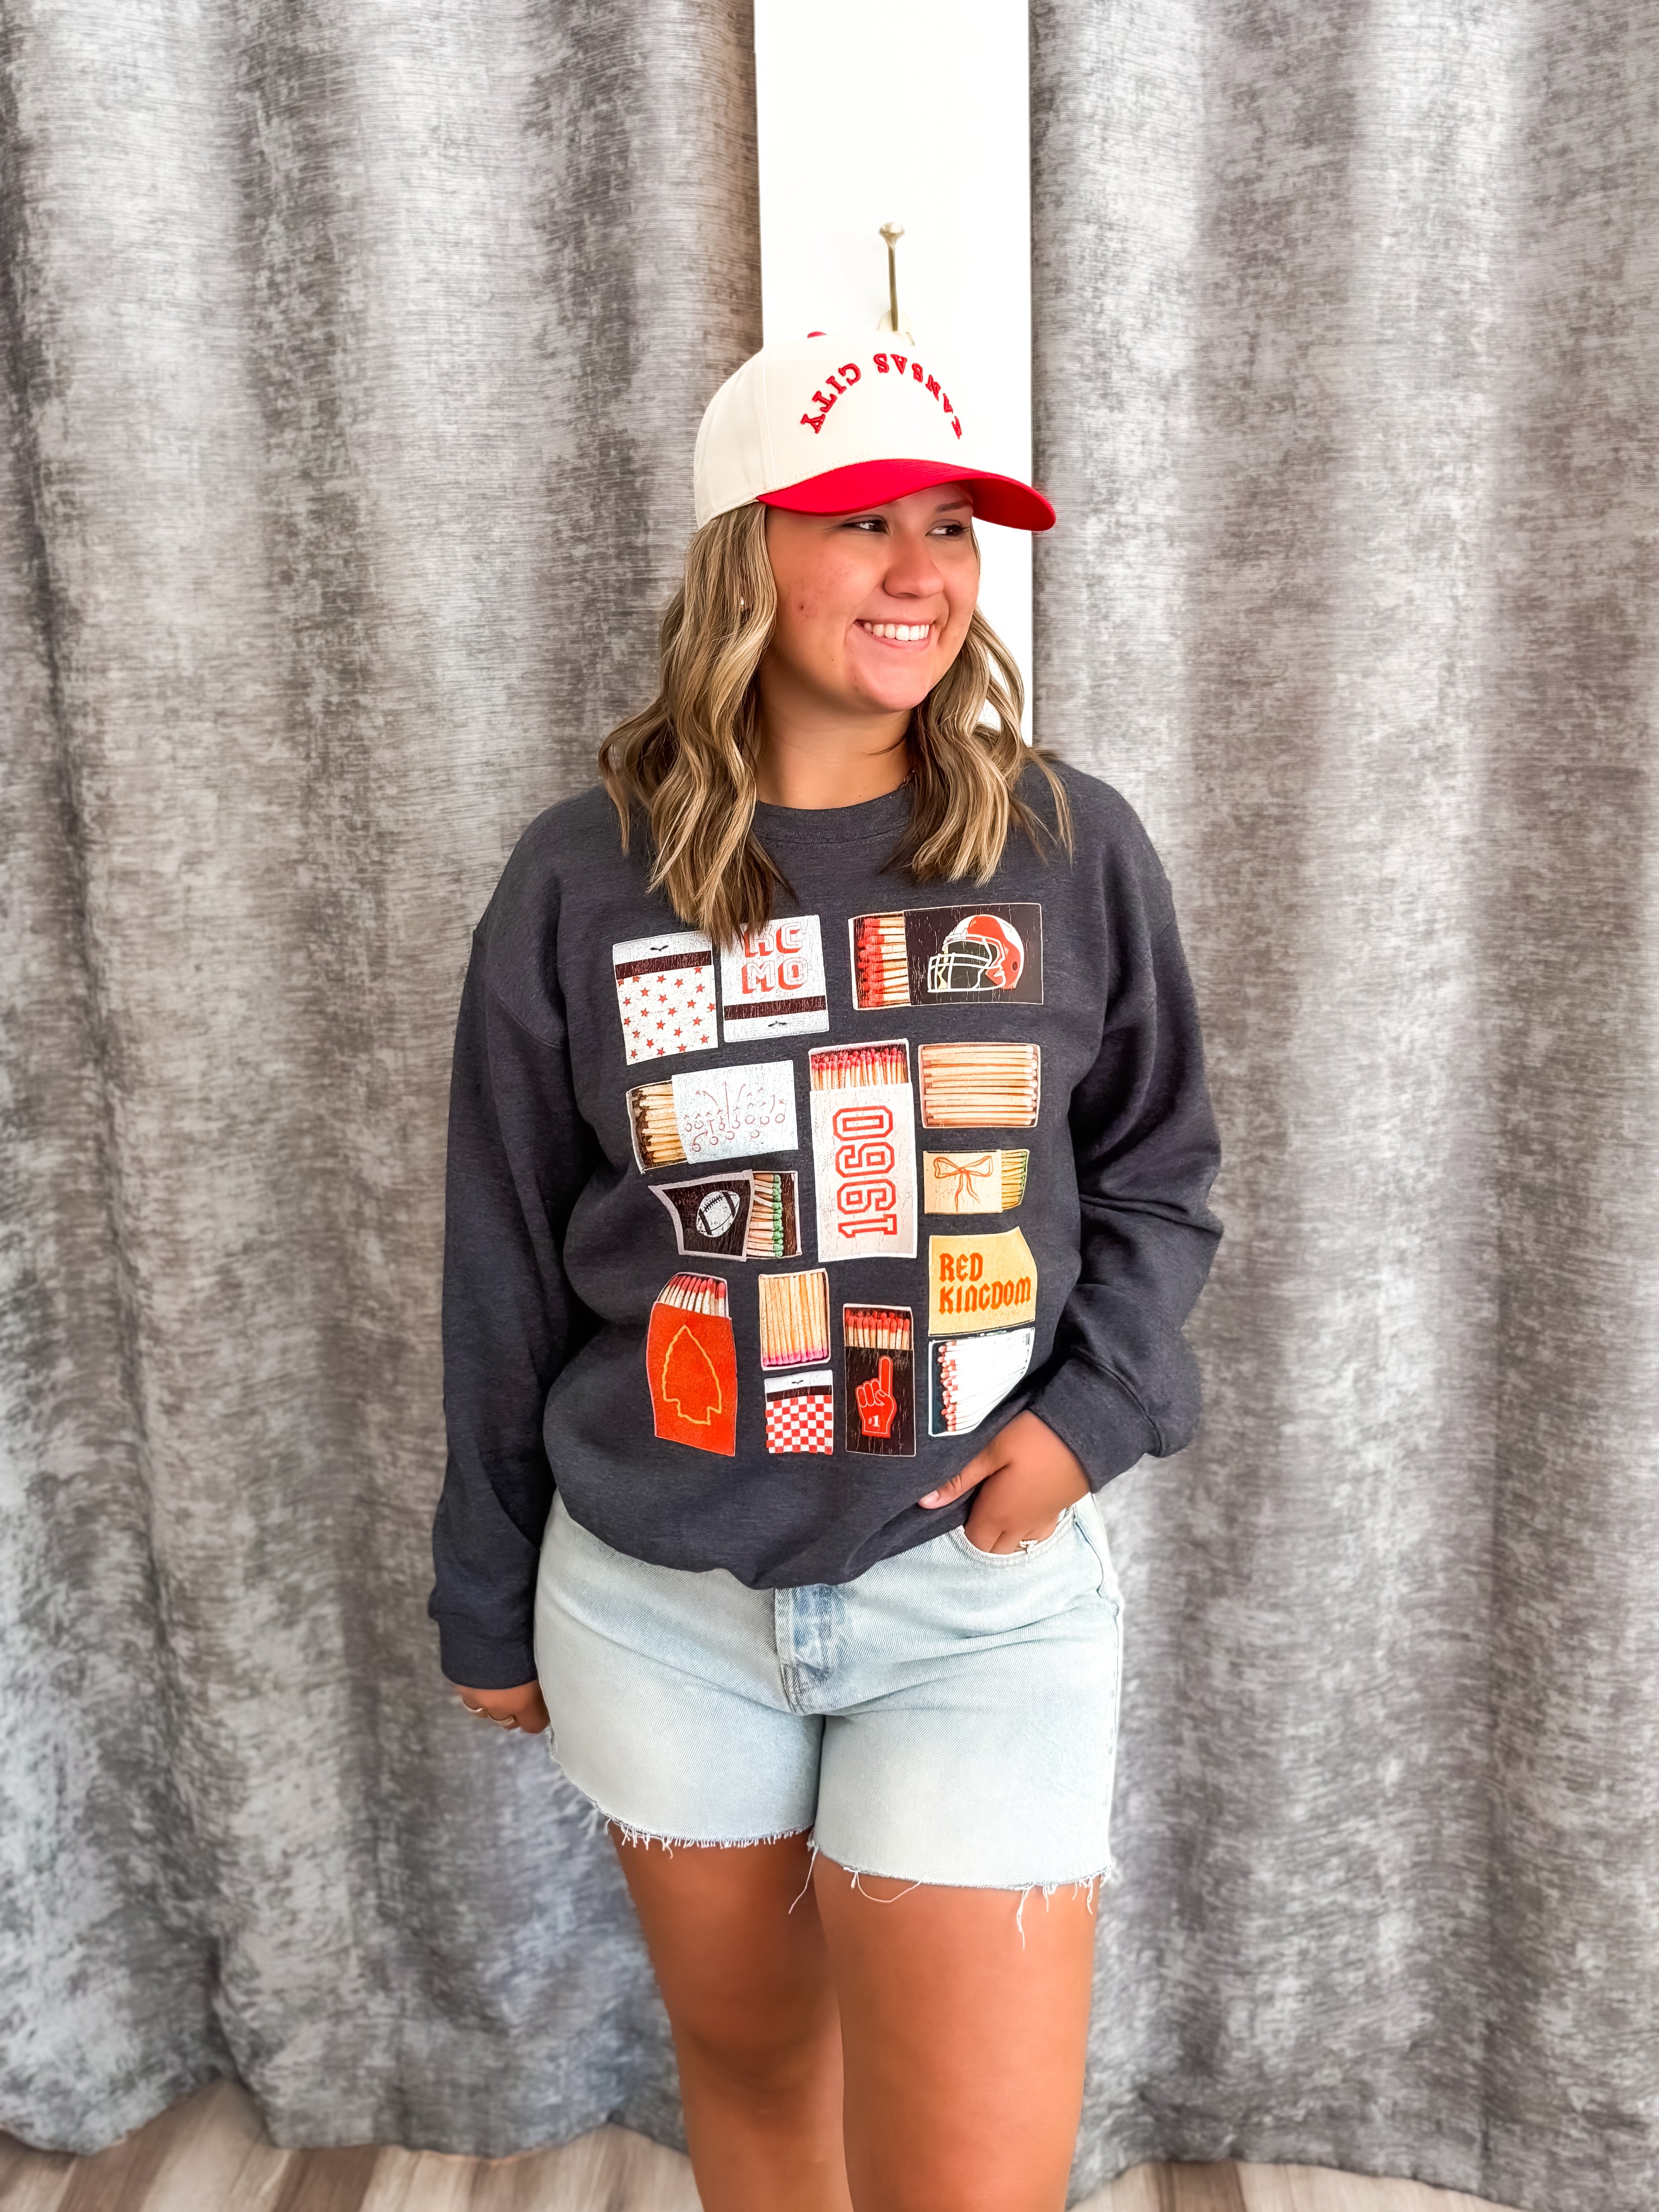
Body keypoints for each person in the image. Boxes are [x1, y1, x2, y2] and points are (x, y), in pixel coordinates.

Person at [428, 325, 1223, 2212]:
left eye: (950, 526)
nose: (919, 571)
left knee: (968, 2182)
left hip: (973, 1602)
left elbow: (1160, 1172)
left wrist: (1088, 1421)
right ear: (744, 550)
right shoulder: (582, 877)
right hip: (652, 1605)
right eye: (862, 520)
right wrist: (484, 1592)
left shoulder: (1063, 845)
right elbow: (504, 1250)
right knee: (759, 2097)